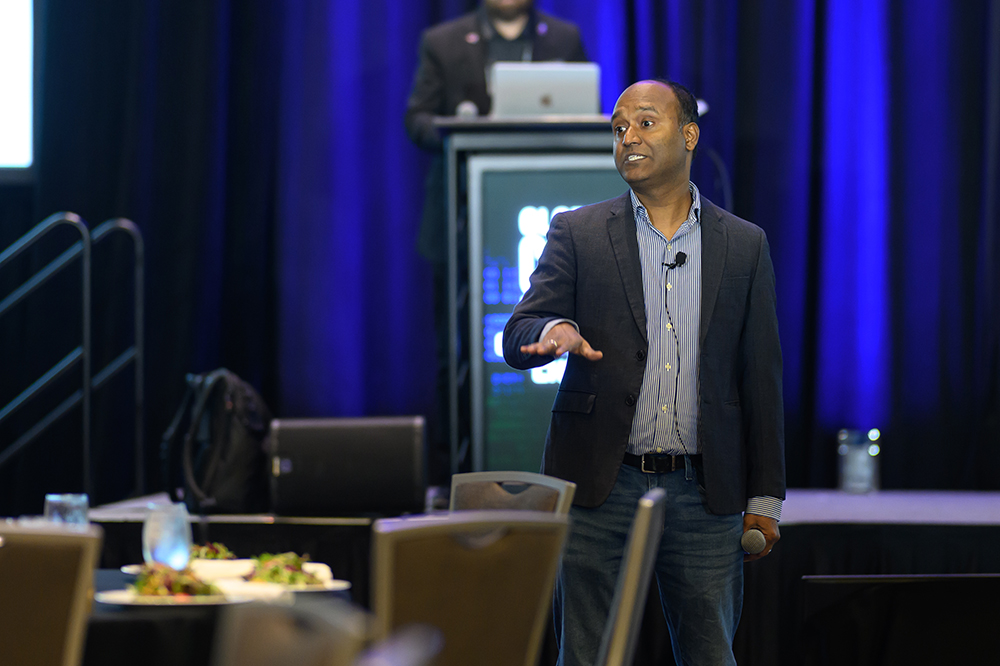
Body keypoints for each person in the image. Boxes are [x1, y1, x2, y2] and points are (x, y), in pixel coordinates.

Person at [502, 80, 785, 666]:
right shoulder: (578, 232)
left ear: (689, 135)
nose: (628, 137)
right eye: (618, 128)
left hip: (704, 489)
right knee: (584, 655)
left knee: (710, 655)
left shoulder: (744, 245)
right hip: (600, 484)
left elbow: (761, 377)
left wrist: (766, 496)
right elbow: (518, 330)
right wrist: (554, 330)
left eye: (645, 123)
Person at [404, 0, 588, 482]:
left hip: (543, 202)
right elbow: (416, 118)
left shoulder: (564, 37)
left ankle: (564, 463)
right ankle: (456, 471)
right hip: (461, 216)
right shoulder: (443, 42)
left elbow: (586, 115)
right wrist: (463, 130)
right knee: (455, 350)